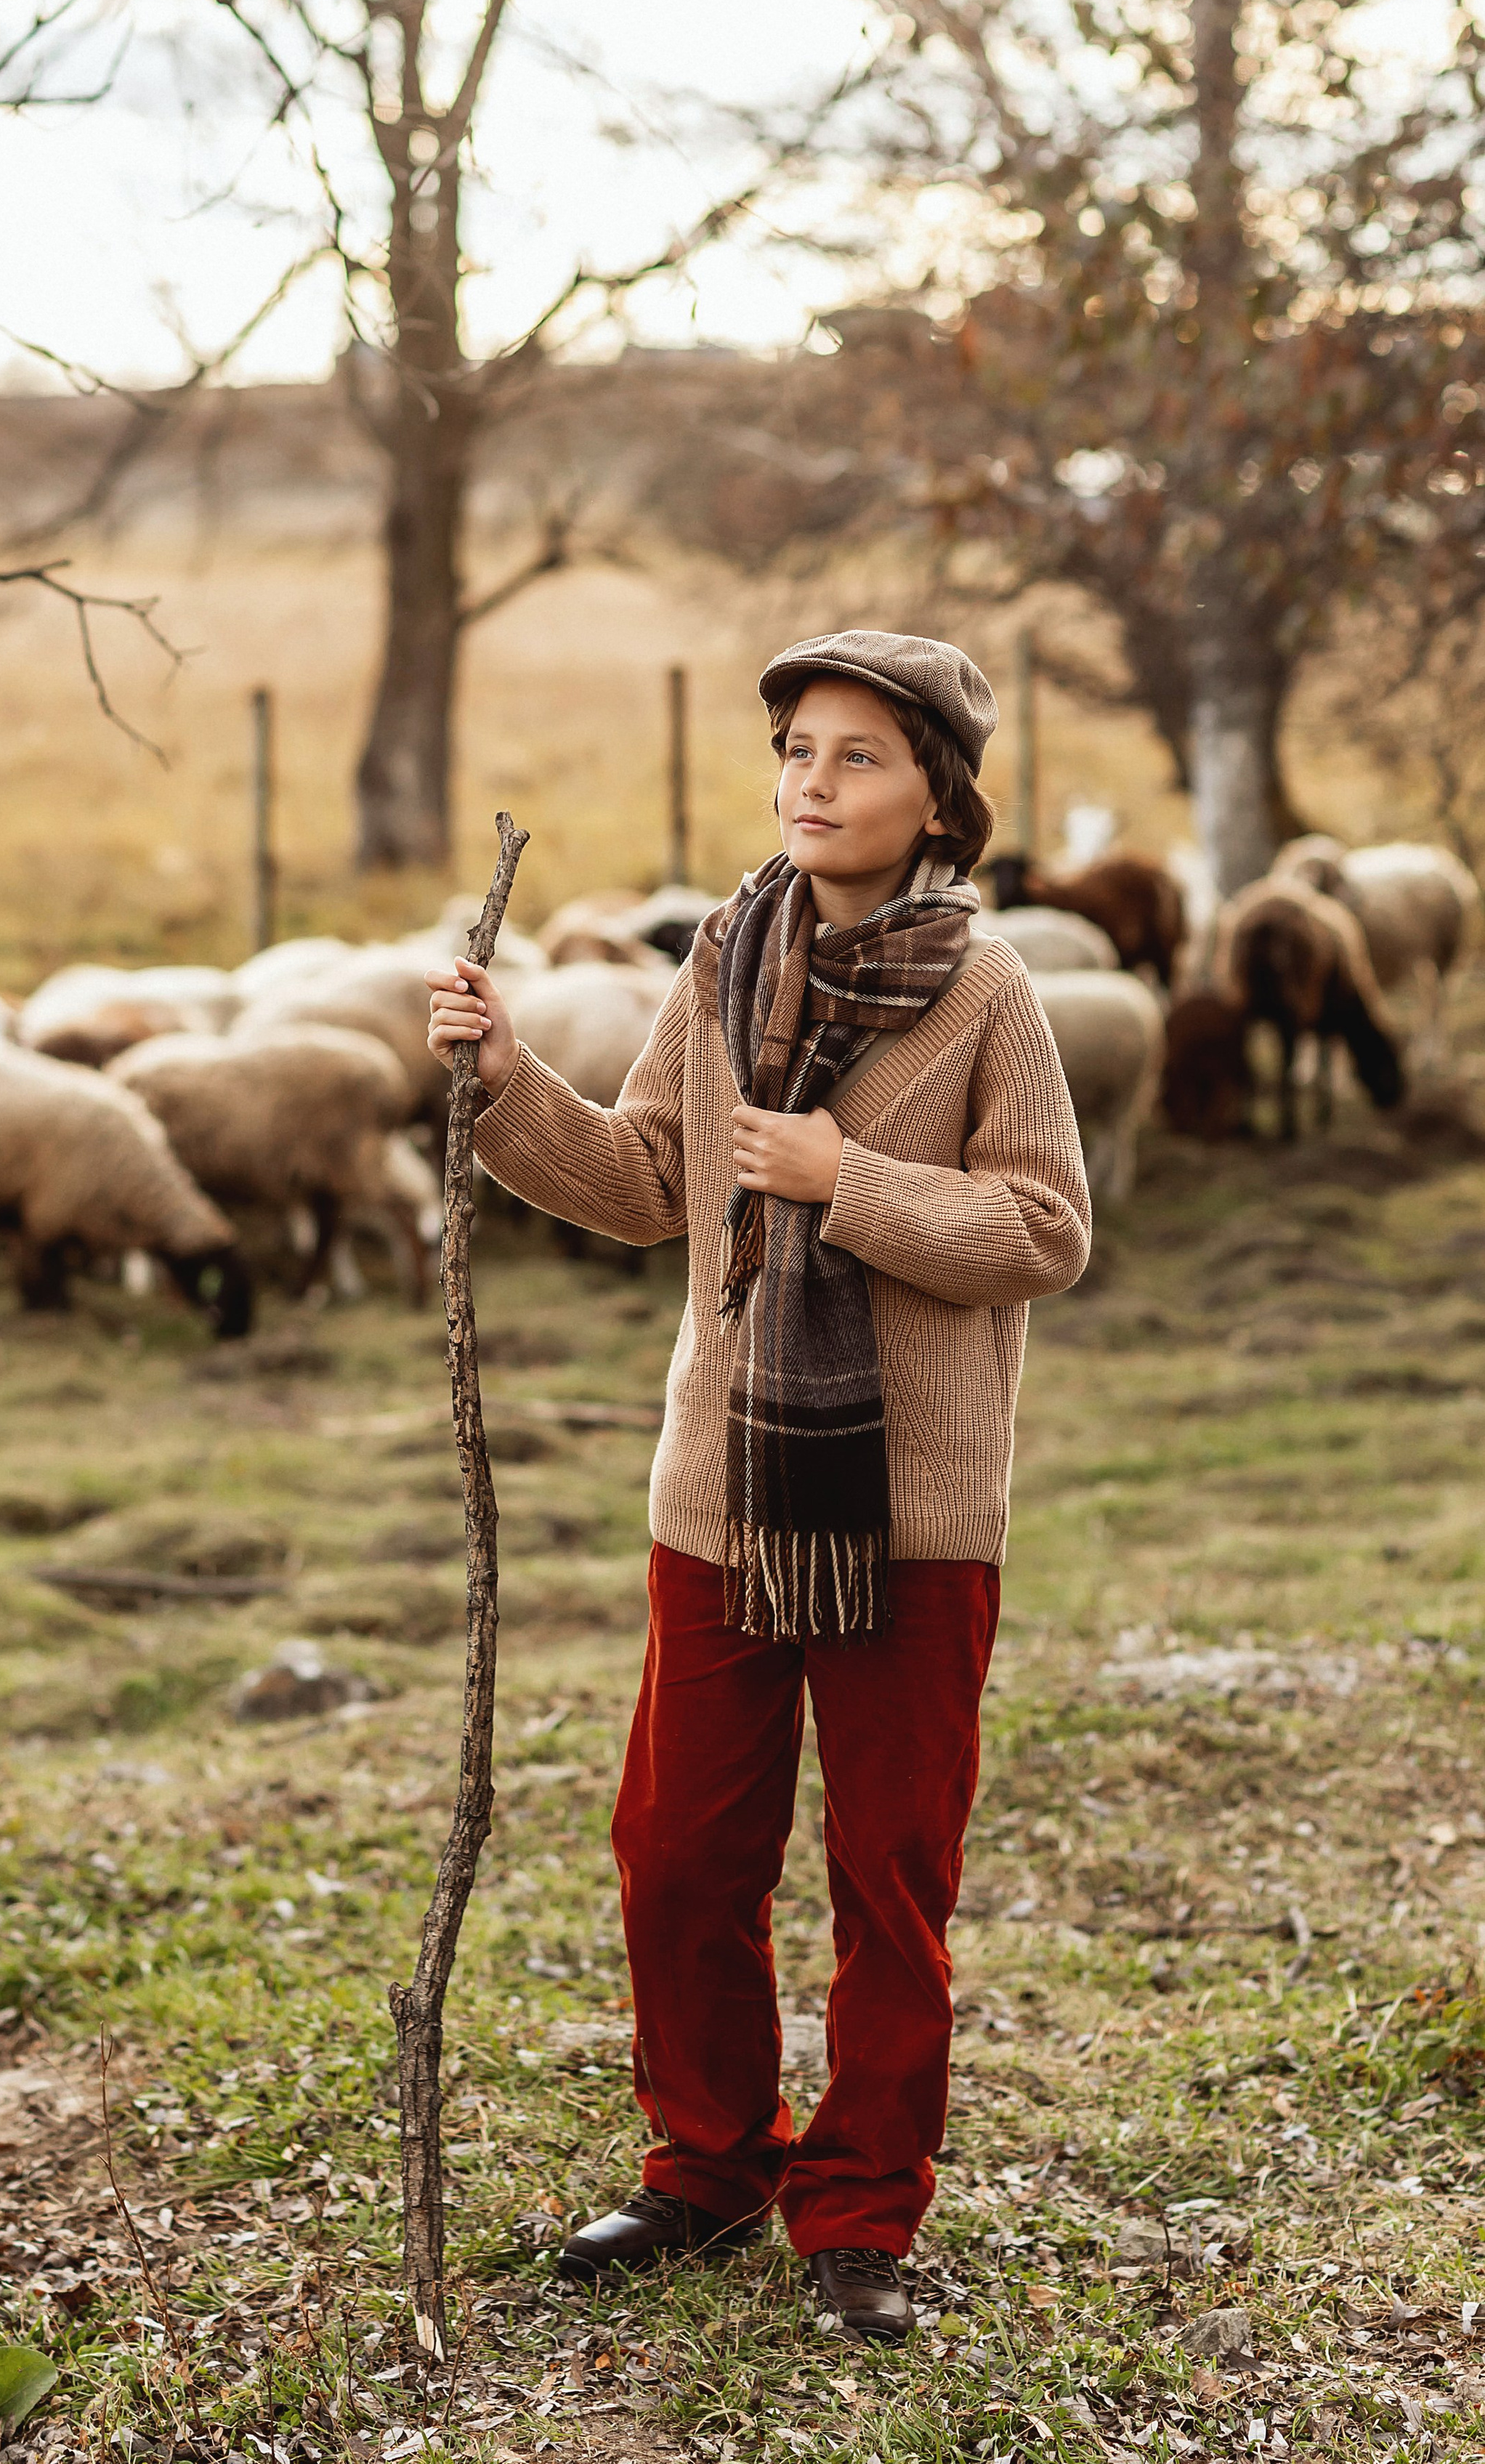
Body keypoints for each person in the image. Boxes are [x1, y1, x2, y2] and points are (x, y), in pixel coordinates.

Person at [424, 630, 1090, 2343]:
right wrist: (503, 1081)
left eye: (856, 755)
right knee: (676, 1848)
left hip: (907, 1511)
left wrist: (842, 1181)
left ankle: (860, 2215)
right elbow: (645, 1178)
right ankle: (705, 2168)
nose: (810, 779)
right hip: (717, 1494)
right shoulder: (724, 953)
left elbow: (1040, 1232)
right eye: (795, 746)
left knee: (888, 1872)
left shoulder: (987, 991)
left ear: (936, 794)